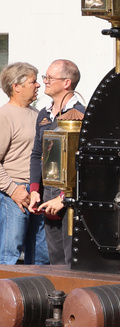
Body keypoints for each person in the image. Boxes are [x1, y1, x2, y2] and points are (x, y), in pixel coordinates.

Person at [28, 59, 83, 265]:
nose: (44, 82)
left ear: (67, 82)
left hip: (68, 200)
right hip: (47, 195)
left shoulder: (81, 115)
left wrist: (64, 197)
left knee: (71, 261)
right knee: (55, 260)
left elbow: (82, 163)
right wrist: (35, 190)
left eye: (49, 78)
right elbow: (36, 154)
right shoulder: (43, 114)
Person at [0, 62, 46, 265]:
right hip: (13, 195)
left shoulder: (39, 116)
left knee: (41, 257)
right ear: (16, 87)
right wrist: (13, 190)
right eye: (32, 81)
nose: (38, 85)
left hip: (38, 193)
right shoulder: (4, 116)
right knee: (9, 255)